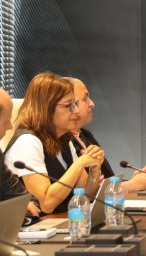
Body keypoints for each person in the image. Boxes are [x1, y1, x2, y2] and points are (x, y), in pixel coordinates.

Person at [4, 72, 104, 214]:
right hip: (35, 225)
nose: (75, 110)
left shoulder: (64, 139)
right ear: (46, 108)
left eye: (75, 104)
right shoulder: (27, 142)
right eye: (68, 105)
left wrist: (94, 169)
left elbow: (86, 195)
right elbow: (46, 204)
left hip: (63, 221)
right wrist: (80, 164)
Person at [66, 78, 146, 191]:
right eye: (85, 99)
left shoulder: (85, 134)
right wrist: (131, 185)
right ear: (69, 105)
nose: (92, 104)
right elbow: (84, 192)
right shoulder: (61, 141)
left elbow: (105, 181)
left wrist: (135, 181)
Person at [0, 88, 41, 218]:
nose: (10, 126)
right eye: (6, 121)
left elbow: (24, 197)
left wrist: (25, 205)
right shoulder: (27, 141)